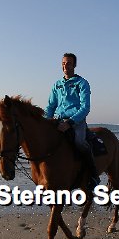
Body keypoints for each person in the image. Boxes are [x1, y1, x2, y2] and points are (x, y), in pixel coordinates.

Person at [45, 52, 100, 191]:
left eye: (69, 63)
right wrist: (46, 122)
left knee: (79, 142)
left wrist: (69, 123)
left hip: (76, 121)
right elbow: (50, 106)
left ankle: (93, 175)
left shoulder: (82, 83)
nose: (65, 66)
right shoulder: (57, 84)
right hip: (58, 120)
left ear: (74, 65)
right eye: (63, 63)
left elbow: (85, 107)